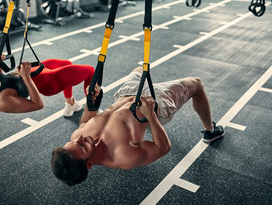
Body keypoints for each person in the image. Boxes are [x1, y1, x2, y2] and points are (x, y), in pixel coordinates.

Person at [51, 67, 225, 186]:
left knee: (139, 69)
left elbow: (83, 123)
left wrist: (92, 102)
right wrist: (151, 115)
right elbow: (163, 148)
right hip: (153, 101)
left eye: (73, 141)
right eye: (81, 146)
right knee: (196, 83)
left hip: (127, 93)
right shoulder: (122, 157)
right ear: (88, 164)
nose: (80, 137)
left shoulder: (76, 139)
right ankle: (210, 131)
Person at [0, 55, 94, 171]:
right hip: (48, 81)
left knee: (67, 63)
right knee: (90, 71)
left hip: (36, 72)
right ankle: (93, 107)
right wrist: (26, 77)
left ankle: (70, 104)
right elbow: (38, 104)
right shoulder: (1, 102)